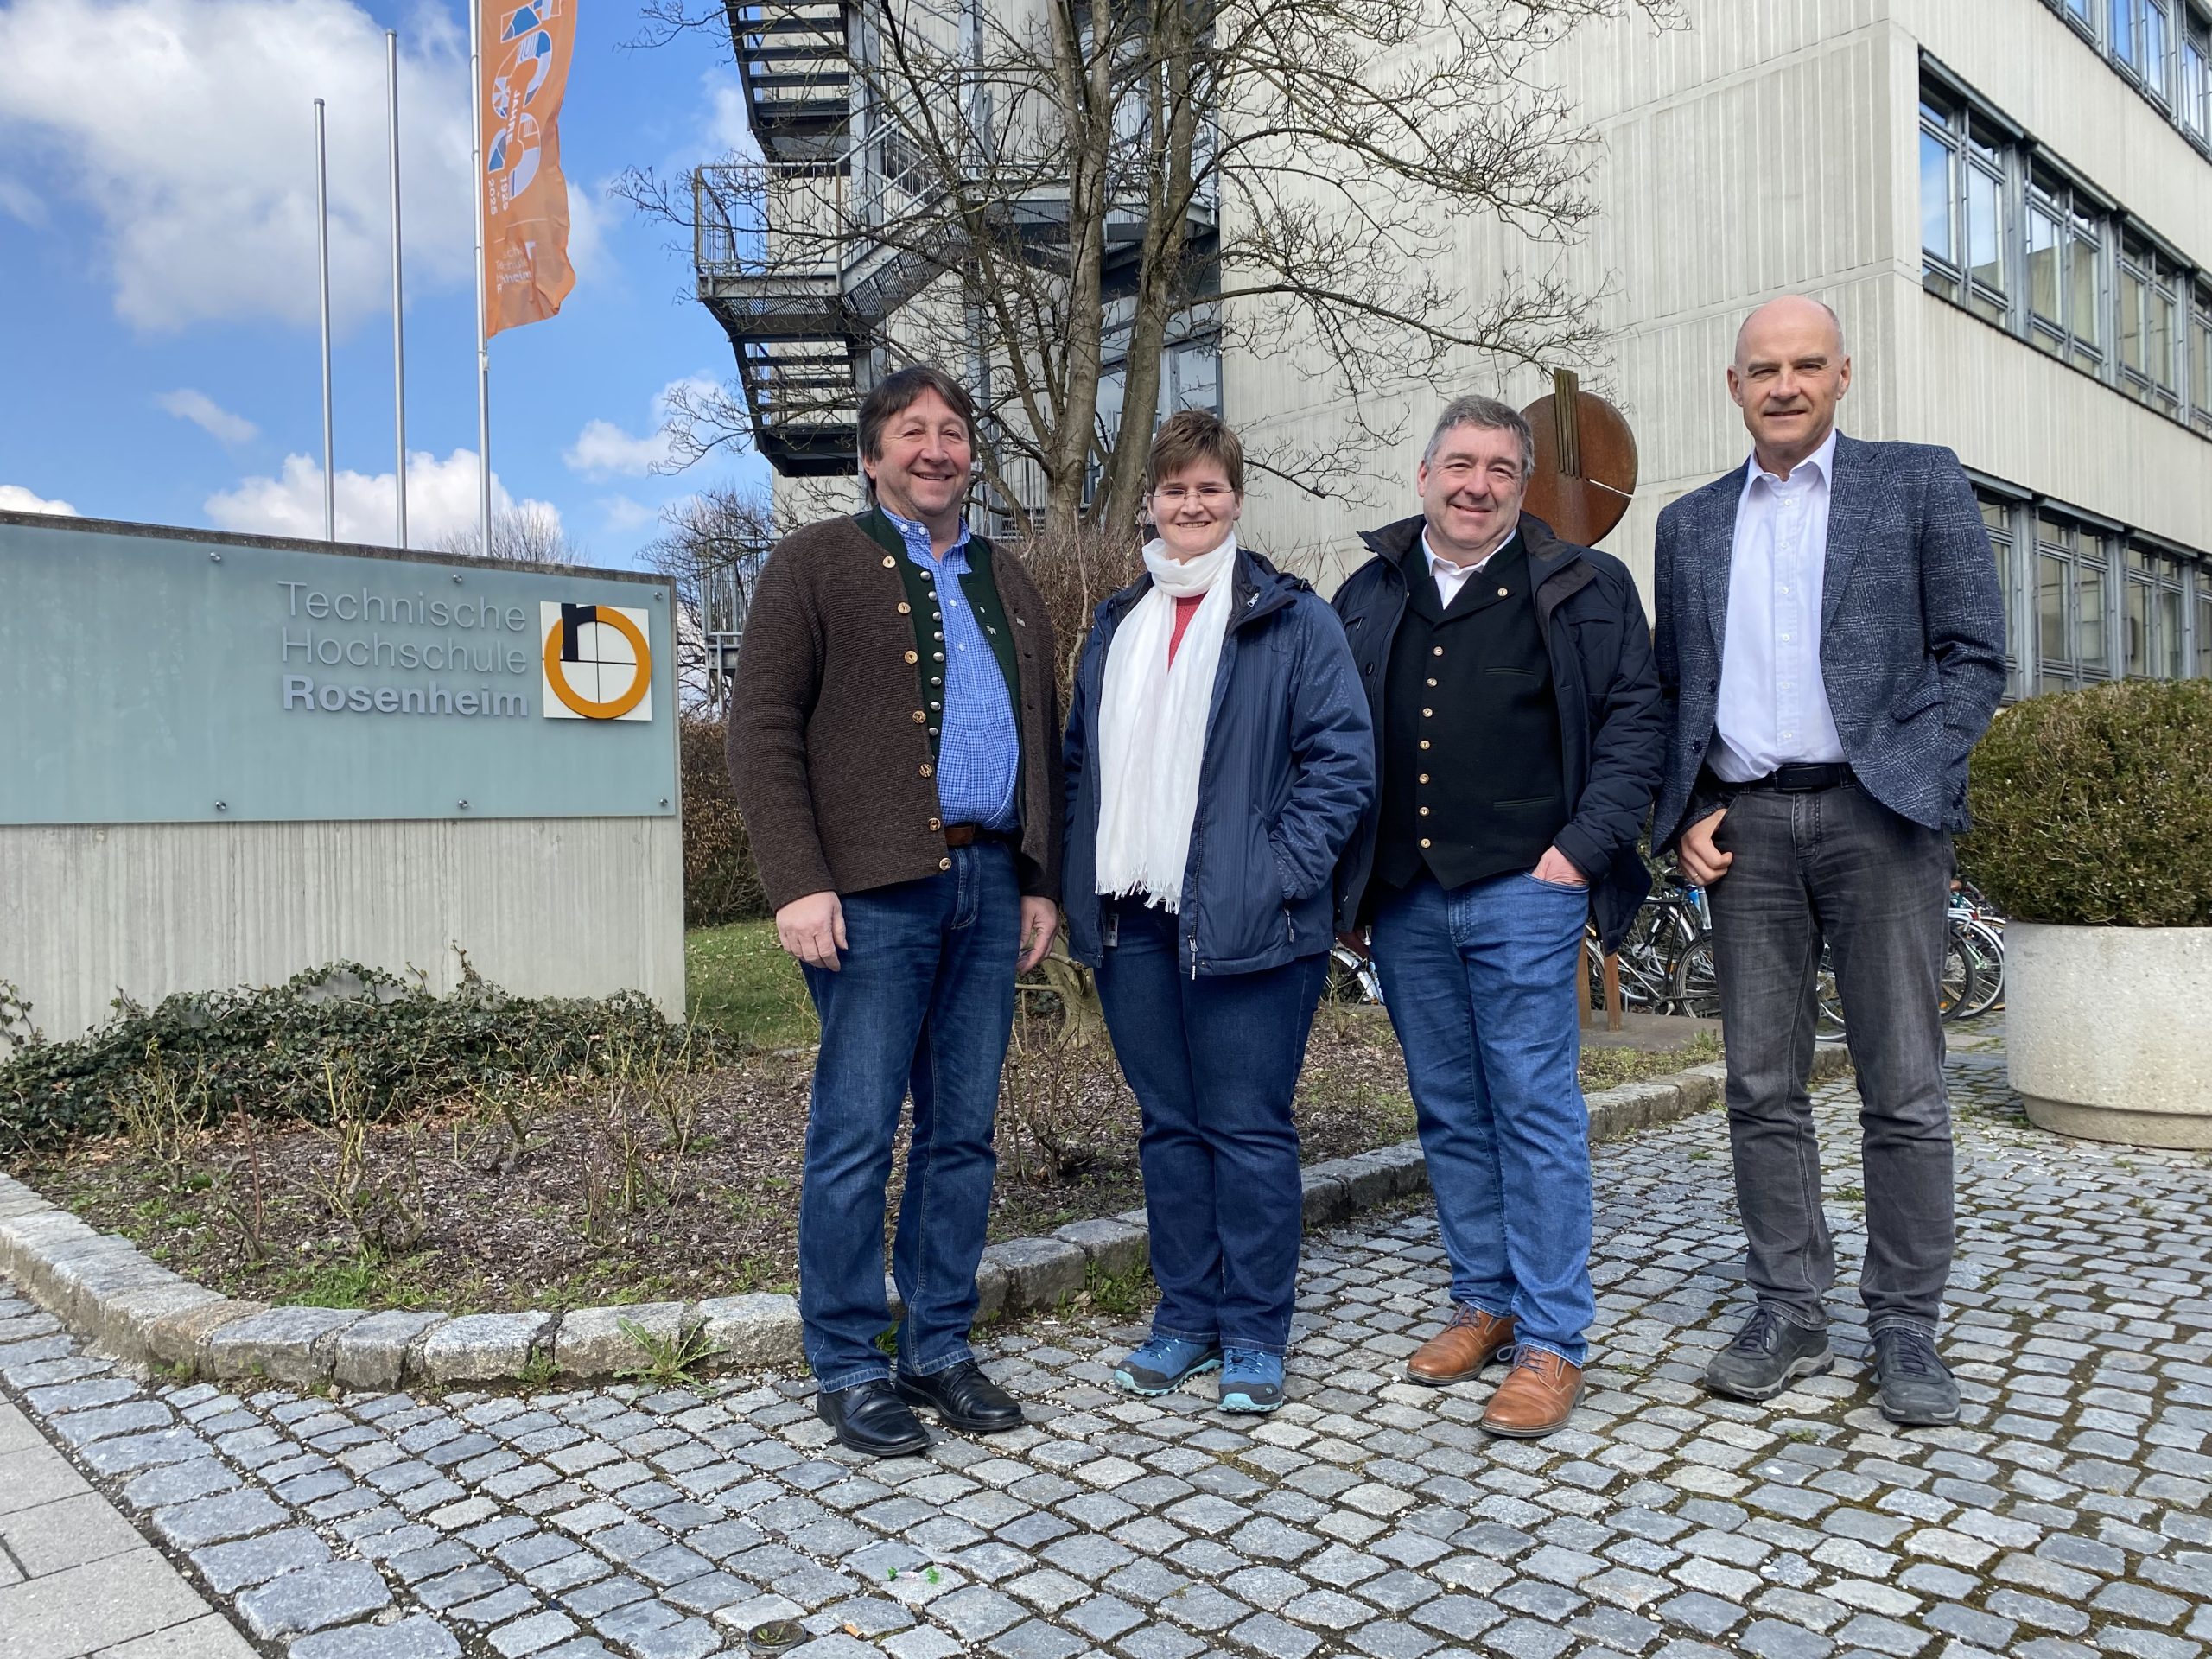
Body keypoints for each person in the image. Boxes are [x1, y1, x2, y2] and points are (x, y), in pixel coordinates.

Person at [1650, 296, 2006, 1427]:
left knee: (1902, 1083)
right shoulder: (1690, 525)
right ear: (1734, 384)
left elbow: (1974, 655)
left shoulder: (1917, 483)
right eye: (1766, 368)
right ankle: (1790, 1308)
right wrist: (1690, 810)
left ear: (1843, 375)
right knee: (1761, 1083)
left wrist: (1912, 772)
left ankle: (1904, 1327)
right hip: (1748, 829)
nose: (1787, 384)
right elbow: (1680, 693)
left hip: (1878, 823)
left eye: (1808, 365)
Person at [728, 365, 1063, 1458]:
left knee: (962, 1136)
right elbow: (763, 731)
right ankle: (844, 1358)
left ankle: (938, 1346)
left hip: (987, 884)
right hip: (868, 897)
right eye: (910, 433)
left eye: (952, 432)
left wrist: (1039, 876)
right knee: (857, 1132)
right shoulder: (811, 565)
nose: (935, 449)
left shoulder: (1009, 579)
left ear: (973, 456)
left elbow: (1044, 745)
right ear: (871, 457)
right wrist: (796, 881)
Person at [1332, 395, 1664, 1440]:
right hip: (1407, 895)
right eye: (1459, 465)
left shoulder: (1584, 584)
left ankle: (1553, 1339)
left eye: (1500, 471)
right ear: (1423, 475)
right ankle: (1483, 1299)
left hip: (1530, 886)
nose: (1477, 485)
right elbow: (1336, 737)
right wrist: (1349, 884)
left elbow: (1633, 723)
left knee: (1533, 1108)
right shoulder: (1370, 588)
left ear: (1523, 489)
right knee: (1448, 1107)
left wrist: (1582, 851)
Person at [1062, 410, 1372, 1414]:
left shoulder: (1290, 617)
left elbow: (1341, 761)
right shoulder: (1116, 624)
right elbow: (1080, 766)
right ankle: (1186, 1316)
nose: (1189, 504)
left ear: (1236, 499)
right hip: (1133, 919)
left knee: (1246, 1127)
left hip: (1250, 923)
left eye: (1208, 488)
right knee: (1169, 1127)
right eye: (1172, 488)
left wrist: (1277, 871)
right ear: (1147, 502)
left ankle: (1254, 1331)